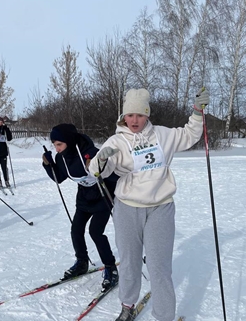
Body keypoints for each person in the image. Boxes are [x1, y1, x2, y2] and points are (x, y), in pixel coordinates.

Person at [88, 88, 210, 321]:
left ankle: (164, 316)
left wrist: (197, 112)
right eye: (130, 115)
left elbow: (190, 135)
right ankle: (127, 306)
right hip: (127, 208)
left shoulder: (163, 135)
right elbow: (97, 171)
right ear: (123, 116)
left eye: (140, 114)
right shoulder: (116, 141)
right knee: (130, 263)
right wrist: (101, 160)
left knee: (159, 268)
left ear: (147, 114)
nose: (134, 120)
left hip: (160, 207)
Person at [42, 123, 119, 291]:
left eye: (59, 144)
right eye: (54, 145)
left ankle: (110, 268)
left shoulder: (89, 152)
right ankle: (82, 262)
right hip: (84, 198)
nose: (56, 148)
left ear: (68, 141)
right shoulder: (61, 157)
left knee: (95, 232)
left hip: (102, 197)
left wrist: (94, 164)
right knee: (76, 229)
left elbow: (108, 170)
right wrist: (48, 165)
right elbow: (59, 177)